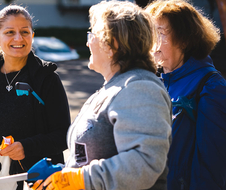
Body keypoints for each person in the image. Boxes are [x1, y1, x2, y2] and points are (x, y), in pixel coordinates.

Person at [31, 1, 172, 189]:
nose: (87, 42)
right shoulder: (111, 88)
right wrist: (62, 174)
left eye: (92, 35)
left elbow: (143, 165)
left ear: (112, 43)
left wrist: (80, 179)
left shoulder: (139, 89)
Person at [0, 5, 71, 190]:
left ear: (32, 35)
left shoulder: (47, 79)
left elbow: (63, 135)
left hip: (35, 181)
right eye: (9, 32)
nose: (18, 38)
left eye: (25, 32)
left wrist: (27, 147)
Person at [145, 0, 226, 189]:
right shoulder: (156, 82)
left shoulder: (211, 87)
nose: (153, 42)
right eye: (150, 33)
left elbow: (211, 169)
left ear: (185, 39)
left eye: (161, 33)